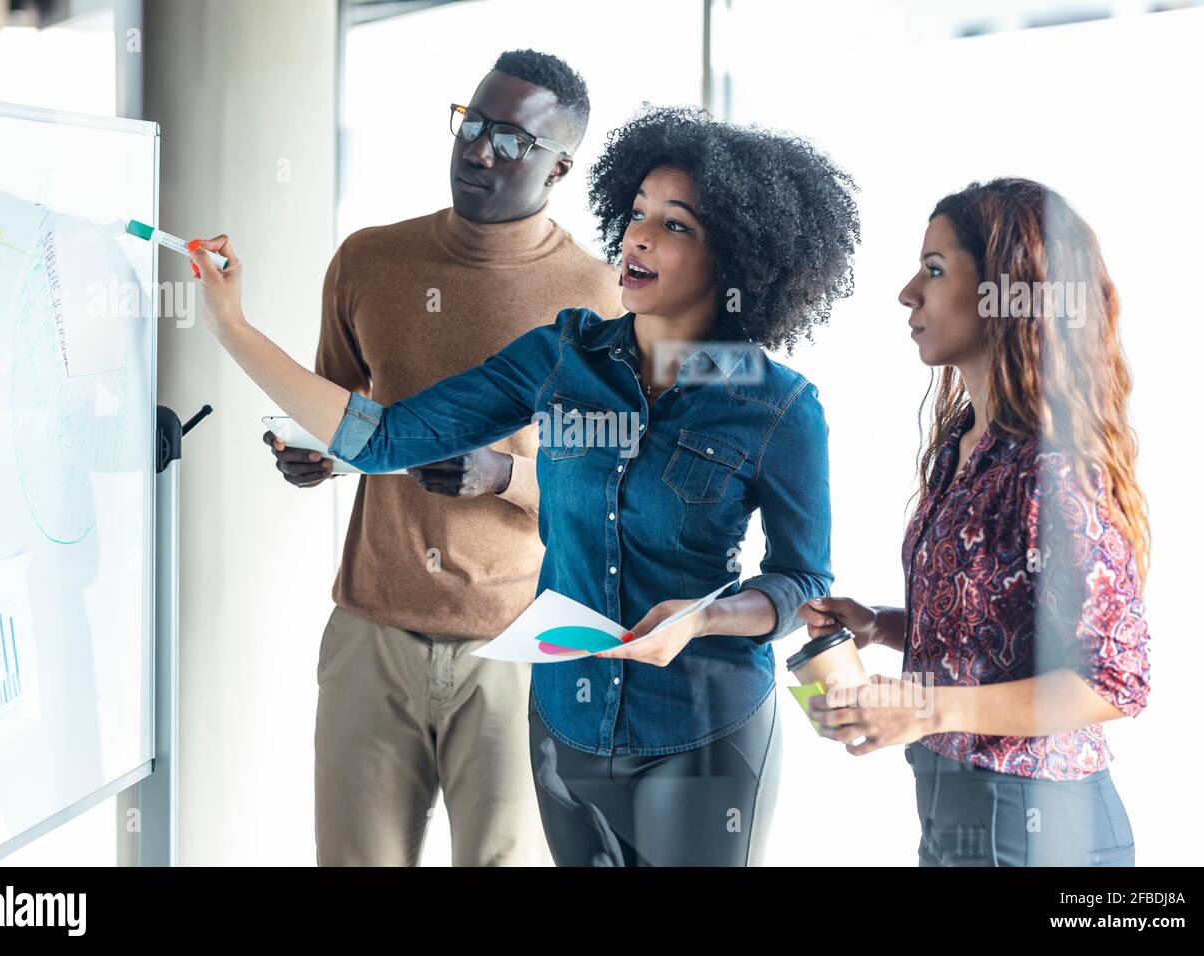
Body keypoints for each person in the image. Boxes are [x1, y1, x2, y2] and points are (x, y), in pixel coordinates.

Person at [189, 105, 860, 866]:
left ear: (738, 257)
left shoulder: (778, 405)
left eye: (675, 225)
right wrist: (231, 327)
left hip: (701, 731)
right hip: (566, 722)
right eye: (637, 214)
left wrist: (702, 622)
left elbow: (802, 581)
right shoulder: (561, 356)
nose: (638, 236)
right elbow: (381, 437)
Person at [263, 49, 622, 866]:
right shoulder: (369, 261)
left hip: (519, 645)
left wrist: (505, 475)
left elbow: (613, 491)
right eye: (473, 122)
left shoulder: (599, 297)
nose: (478, 149)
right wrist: (318, 456)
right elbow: (344, 414)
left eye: (511, 139)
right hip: (371, 632)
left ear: (560, 166)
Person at [801, 178, 1151, 866]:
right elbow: (998, 638)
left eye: (934, 270)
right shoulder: (963, 446)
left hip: (1036, 821)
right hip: (959, 809)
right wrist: (880, 624)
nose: (909, 292)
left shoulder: (1051, 471)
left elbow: (1114, 679)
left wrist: (928, 709)